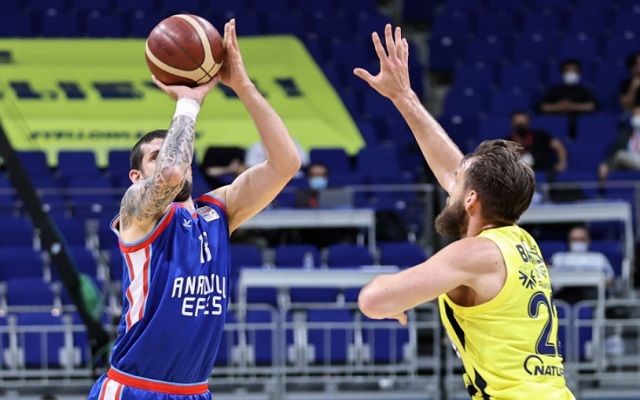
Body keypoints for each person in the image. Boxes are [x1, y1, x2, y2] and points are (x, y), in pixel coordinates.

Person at [355, 24, 575, 399]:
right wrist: (404, 97)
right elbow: (454, 171)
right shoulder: (519, 243)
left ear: (471, 200)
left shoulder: (475, 255)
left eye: (456, 186)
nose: (448, 188)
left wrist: (393, 293)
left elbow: (373, 300)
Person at [88, 19, 301, 400]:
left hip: (194, 391)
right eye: (156, 155)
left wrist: (243, 86)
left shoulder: (218, 211)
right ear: (136, 175)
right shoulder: (137, 211)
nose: (175, 158)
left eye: (179, 150)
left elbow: (287, 163)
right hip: (134, 389)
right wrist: (189, 102)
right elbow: (169, 174)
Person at [550, 226, 614, 304]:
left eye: (582, 239)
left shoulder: (599, 258)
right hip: (564, 293)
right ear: (568, 241)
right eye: (574, 239)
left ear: (588, 240)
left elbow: (610, 278)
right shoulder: (558, 257)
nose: (578, 242)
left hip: (592, 293)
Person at [599, 104, 640, 180]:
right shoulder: (625, 135)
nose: (638, 117)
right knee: (619, 155)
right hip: (630, 161)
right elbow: (614, 152)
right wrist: (606, 164)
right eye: (636, 114)